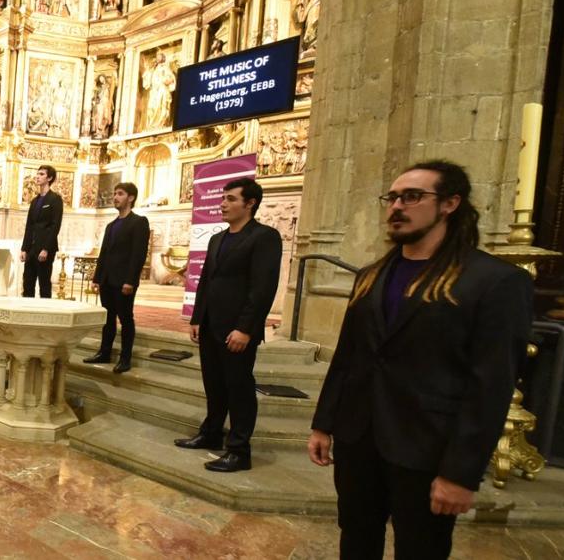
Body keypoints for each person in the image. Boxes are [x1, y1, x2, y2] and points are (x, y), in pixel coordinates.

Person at [308, 161, 533, 559]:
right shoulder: (371, 275)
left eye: (412, 196)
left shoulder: (493, 280)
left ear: (449, 203)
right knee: (356, 537)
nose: (396, 206)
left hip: (426, 446)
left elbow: (491, 385)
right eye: (392, 197)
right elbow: (349, 357)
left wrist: (460, 472)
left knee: (420, 549)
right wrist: (324, 424)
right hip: (360, 436)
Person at [178, 178, 282, 472]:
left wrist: (246, 328)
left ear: (250, 204)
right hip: (211, 324)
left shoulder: (265, 237)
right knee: (214, 384)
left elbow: (262, 288)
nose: (223, 204)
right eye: (223, 198)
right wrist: (198, 317)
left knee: (239, 388)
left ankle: (239, 450)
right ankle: (211, 433)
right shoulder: (217, 239)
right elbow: (206, 282)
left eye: (231, 199)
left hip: (238, 329)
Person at [86, 182, 151, 374]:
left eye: (120, 194)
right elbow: (104, 253)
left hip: (124, 281)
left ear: (130, 198)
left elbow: (138, 254)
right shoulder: (111, 225)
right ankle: (104, 352)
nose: (115, 197)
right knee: (108, 318)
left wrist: (130, 280)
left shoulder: (139, 222)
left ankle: (125, 358)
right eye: (114, 193)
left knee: (126, 318)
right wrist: (97, 278)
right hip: (107, 279)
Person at [21, 165, 63, 298]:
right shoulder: (35, 201)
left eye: (41, 174)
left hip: (45, 248)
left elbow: (55, 226)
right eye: (37, 174)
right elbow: (29, 226)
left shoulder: (55, 199)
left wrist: (46, 248)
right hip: (31, 248)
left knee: (44, 283)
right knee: (27, 283)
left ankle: (45, 314)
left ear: (49, 178)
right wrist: (24, 248)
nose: (37, 177)